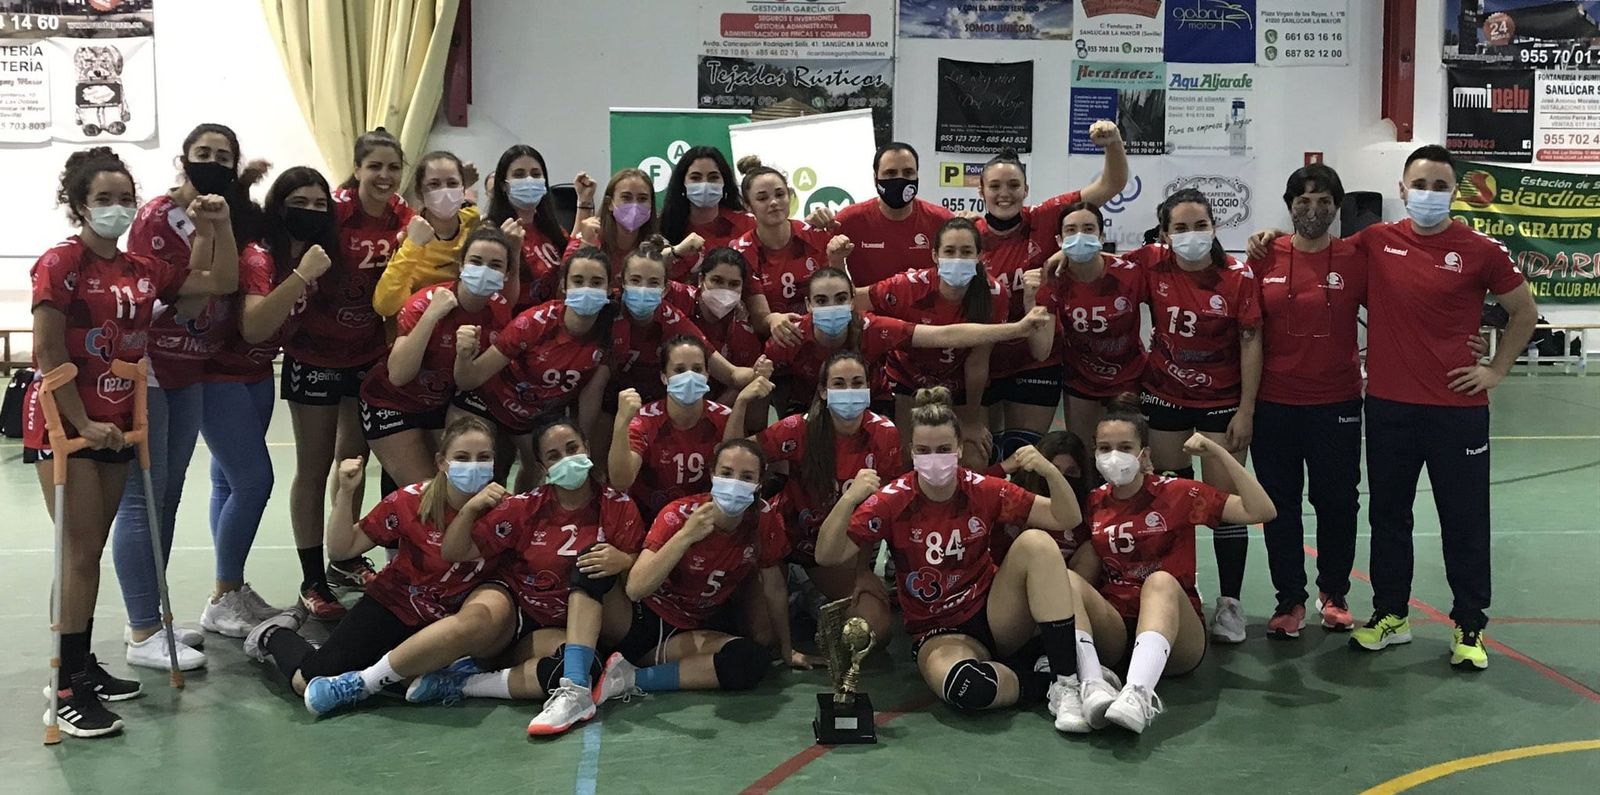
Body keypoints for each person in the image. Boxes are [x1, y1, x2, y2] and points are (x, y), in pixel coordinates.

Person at [27, 147, 237, 738]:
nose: (116, 209)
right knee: (79, 552)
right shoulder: (60, 263)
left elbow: (216, 279)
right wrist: (81, 423)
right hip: (68, 424)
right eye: (103, 199)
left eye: (125, 198)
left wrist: (215, 223)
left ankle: (81, 664)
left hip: (119, 421)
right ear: (78, 205)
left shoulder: (140, 269)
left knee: (90, 551)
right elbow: (48, 352)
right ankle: (64, 687)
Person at [1345, 146, 1534, 668]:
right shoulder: (1375, 241)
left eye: (1440, 185)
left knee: (1465, 519)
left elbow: (1524, 311)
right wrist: (1266, 240)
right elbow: (1317, 254)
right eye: (1419, 184)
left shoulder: (1481, 250)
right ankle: (1391, 615)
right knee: (1388, 517)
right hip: (1388, 408)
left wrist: (1495, 369)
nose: (1428, 194)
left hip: (1457, 410)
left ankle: (1470, 626)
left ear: (1455, 192)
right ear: (1401, 190)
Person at [818, 388, 1102, 733]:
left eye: (942, 450)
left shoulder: (982, 488)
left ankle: (1067, 684)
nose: (933, 459)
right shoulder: (893, 500)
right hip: (938, 630)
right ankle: (1040, 681)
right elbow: (828, 554)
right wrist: (849, 500)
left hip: (993, 613)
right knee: (967, 689)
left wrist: (1049, 471)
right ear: (912, 452)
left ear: (959, 451)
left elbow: (1065, 518)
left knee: (1037, 543)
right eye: (923, 451)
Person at [242, 417, 518, 717]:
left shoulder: (507, 511)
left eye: (484, 458)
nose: (473, 466)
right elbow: (341, 548)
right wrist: (346, 493)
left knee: (415, 683)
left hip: (443, 622)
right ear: (442, 462)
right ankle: (273, 634)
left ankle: (372, 670)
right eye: (462, 458)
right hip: (393, 605)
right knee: (304, 683)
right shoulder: (412, 501)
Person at [114, 122, 257, 670]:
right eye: (203, 153)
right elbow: (187, 289)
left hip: (193, 367)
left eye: (224, 155)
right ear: (185, 158)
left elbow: (222, 282)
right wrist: (204, 239)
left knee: (169, 497)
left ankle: (156, 620)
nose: (212, 161)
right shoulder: (157, 214)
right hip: (150, 362)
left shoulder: (225, 213)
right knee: (142, 500)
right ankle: (143, 627)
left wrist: (216, 229)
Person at [418, 419, 644, 735]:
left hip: (603, 621)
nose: (566, 459)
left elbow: (643, 571)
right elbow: (455, 551)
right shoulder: (526, 507)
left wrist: (623, 560)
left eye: (572, 448)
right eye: (554, 456)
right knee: (582, 667)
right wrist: (470, 510)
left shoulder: (617, 505)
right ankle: (384, 679)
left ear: (587, 448)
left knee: (591, 562)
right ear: (542, 466)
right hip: (539, 624)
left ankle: (468, 683)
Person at [1068, 395, 1277, 734]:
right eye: (1104, 448)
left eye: (1124, 446)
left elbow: (1262, 511)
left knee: (1161, 582)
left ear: (1144, 454)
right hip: (1118, 631)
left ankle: (1138, 695)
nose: (1113, 456)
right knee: (1066, 580)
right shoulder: (1093, 503)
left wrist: (1219, 452)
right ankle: (1091, 685)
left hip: (1178, 635)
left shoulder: (1178, 494)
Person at [194, 168, 338, 641]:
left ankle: (229, 588)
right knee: (255, 482)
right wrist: (301, 276)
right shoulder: (262, 257)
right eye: (301, 202)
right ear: (280, 206)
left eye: (321, 205)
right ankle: (222, 594)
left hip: (256, 377)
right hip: (220, 377)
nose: (311, 212)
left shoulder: (311, 258)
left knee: (227, 481)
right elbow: (254, 326)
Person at [284, 128, 414, 619]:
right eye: (374, 166)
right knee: (314, 469)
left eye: (393, 167)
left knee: (352, 465)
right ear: (358, 169)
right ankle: (312, 578)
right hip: (314, 353)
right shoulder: (333, 213)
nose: (384, 175)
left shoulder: (405, 218)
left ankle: (345, 555)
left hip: (365, 356)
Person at [1127, 189, 1262, 644]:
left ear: (1214, 228)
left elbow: (1250, 341)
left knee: (1225, 507)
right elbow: (1100, 265)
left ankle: (1230, 602)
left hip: (1222, 400)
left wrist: (1246, 409)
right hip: (1165, 394)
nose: (1191, 235)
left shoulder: (1237, 276)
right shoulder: (1151, 263)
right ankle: (1183, 588)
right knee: (1170, 498)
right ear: (1164, 234)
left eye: (1199, 225)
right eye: (1180, 228)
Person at [1246, 164, 1368, 638]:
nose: (1313, 210)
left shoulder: (1357, 257)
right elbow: (1249, 331)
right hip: (1275, 404)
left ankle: (1334, 594)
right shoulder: (1265, 255)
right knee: (1279, 506)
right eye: (1303, 201)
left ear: (1337, 207)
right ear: (1289, 204)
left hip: (1336, 403)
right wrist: (1248, 405)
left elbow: (1402, 310)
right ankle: (1289, 601)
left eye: (1323, 201)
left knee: (1338, 502)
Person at [976, 122, 1129, 458]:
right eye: (996, 186)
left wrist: (1113, 143)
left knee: (1020, 453)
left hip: (1035, 359)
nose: (1005, 193)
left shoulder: (1045, 218)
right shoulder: (968, 236)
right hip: (982, 360)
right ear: (981, 192)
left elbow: (1112, 183)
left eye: (1014, 185)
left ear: (1026, 189)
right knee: (983, 455)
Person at [598, 440, 795, 696]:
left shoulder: (763, 519)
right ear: (712, 474)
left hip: (689, 629)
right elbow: (636, 589)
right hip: (641, 618)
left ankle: (630, 679)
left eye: (746, 477)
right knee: (591, 565)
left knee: (750, 659)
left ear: (759, 483)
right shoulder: (678, 514)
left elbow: (775, 586)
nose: (735, 483)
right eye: (726, 473)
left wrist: (788, 649)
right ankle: (583, 672)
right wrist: (686, 536)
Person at [729, 350, 901, 638]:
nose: (849, 391)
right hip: (783, 536)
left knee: (874, 630)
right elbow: (733, 456)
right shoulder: (800, 428)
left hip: (830, 550)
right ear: (823, 391)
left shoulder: (885, 434)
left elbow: (879, 514)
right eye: (839, 383)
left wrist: (861, 571)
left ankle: (808, 591)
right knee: (762, 635)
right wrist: (741, 403)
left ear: (869, 388)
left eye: (858, 383)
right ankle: (795, 587)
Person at [765, 267, 1047, 417]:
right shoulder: (788, 335)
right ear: (807, 305)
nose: (832, 307)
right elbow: (763, 379)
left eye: (840, 299)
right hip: (809, 408)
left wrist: (1016, 329)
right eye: (821, 301)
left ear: (853, 301)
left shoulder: (872, 328)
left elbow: (944, 335)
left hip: (871, 405)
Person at [360, 227, 515, 487]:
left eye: (495, 265)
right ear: (461, 264)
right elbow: (398, 375)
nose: (485, 270)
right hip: (390, 401)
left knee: (458, 485)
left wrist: (465, 357)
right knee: (427, 491)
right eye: (476, 261)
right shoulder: (425, 302)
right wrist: (432, 316)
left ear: (506, 274)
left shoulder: (500, 312)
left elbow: (468, 381)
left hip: (437, 405)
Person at [451, 247, 615, 485]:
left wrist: (583, 444)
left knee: (535, 472)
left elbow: (591, 396)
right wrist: (464, 356)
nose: (587, 288)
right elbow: (470, 379)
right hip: (487, 403)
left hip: (534, 418)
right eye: (578, 281)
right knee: (480, 474)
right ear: (564, 287)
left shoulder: (609, 333)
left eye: (596, 282)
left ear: (610, 289)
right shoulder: (533, 323)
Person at [864, 217, 1017, 463]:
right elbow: (853, 301)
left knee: (974, 459)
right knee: (906, 458)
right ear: (935, 255)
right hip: (907, 379)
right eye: (949, 251)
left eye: (966, 252)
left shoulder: (994, 294)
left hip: (960, 385)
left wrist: (971, 419)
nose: (957, 258)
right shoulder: (908, 286)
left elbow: (978, 362)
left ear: (980, 256)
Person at [1036, 202, 1148, 451]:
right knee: (1085, 452)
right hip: (1080, 379)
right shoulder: (1053, 279)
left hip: (1128, 377)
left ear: (1101, 236)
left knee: (1128, 450)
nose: (1080, 236)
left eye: (1088, 229)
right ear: (1059, 239)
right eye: (1071, 230)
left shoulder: (1130, 273)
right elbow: (1042, 350)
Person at [610, 337, 734, 521]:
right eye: (679, 370)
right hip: (648, 519)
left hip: (707, 518)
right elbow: (621, 482)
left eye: (697, 369)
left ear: (708, 375)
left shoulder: (726, 418)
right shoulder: (644, 421)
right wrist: (621, 422)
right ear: (664, 377)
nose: (689, 376)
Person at [730, 156, 851, 334]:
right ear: (748, 206)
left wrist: (838, 260)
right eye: (762, 198)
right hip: (777, 342)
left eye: (780, 195)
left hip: (825, 334)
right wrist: (772, 319)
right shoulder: (742, 251)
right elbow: (760, 319)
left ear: (790, 196)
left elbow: (843, 297)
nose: (773, 202)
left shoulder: (816, 234)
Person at [808, 141, 954, 287]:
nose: (899, 179)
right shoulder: (849, 219)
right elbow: (816, 265)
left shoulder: (942, 221)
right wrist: (810, 225)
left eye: (908, 172)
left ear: (917, 175)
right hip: (866, 309)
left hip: (925, 310)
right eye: (890, 173)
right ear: (875, 178)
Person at [373, 150, 492, 319]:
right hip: (413, 330)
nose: (445, 192)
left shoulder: (472, 220)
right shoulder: (409, 233)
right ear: (420, 192)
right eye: (434, 184)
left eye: (452, 183)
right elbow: (385, 306)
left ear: (462, 188)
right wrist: (413, 245)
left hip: (460, 327)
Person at [989, 430, 1098, 583]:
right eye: (1054, 470)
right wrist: (1003, 467)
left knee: (1091, 551)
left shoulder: (1089, 505)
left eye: (1071, 472)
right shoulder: (1013, 497)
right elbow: (970, 489)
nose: (1061, 479)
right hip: (1011, 585)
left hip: (1063, 586)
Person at [666, 247, 764, 406]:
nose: (725, 290)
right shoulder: (676, 297)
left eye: (734, 284)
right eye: (717, 280)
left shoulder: (744, 330)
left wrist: (709, 413)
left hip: (715, 407)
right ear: (701, 279)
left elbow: (738, 384)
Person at [570, 168, 703, 278]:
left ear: (651, 204)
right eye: (626, 198)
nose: (634, 205)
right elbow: (564, 283)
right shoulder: (591, 237)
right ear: (610, 204)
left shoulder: (659, 244)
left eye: (642, 198)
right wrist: (585, 244)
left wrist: (679, 251)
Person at [483, 144, 569, 311]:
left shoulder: (553, 230)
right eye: (519, 175)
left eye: (536, 174)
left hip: (553, 323)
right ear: (503, 185)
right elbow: (501, 304)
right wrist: (511, 252)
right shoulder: (490, 232)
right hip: (515, 327)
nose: (529, 180)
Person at [658, 146, 754, 282]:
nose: (704, 184)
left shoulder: (748, 224)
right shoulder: (663, 226)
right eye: (695, 178)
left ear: (724, 182)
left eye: (713, 177)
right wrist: (676, 252)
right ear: (682, 184)